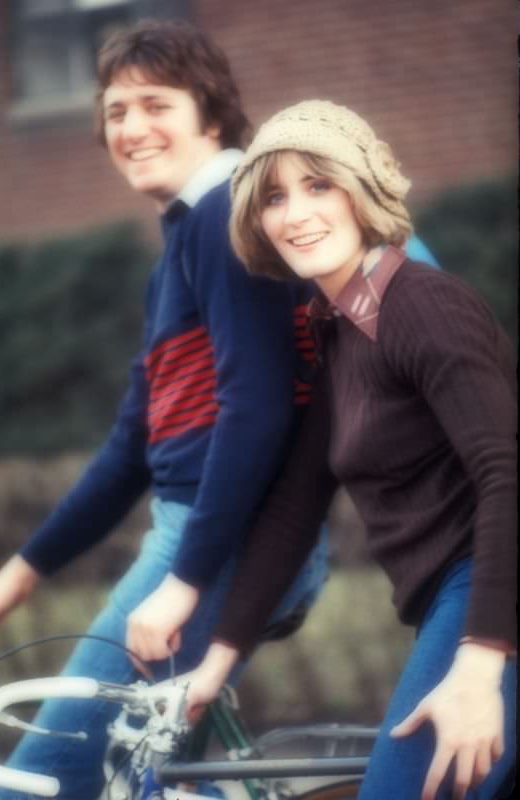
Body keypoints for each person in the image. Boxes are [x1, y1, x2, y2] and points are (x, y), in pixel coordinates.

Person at [0, 21, 438, 799]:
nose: (131, 128)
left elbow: (256, 410)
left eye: (155, 104)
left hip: (218, 544)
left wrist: (184, 579)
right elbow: (132, 443)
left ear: (210, 113)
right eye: (115, 111)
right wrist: (23, 572)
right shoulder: (183, 245)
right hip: (199, 537)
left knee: (41, 781)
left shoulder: (226, 215)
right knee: (151, 779)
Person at [161, 101, 517, 800]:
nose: (296, 214)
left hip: (487, 591)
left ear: (364, 192)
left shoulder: (419, 305)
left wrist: (480, 664)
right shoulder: (341, 331)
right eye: (273, 197)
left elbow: (508, 470)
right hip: (456, 600)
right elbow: (296, 506)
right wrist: (217, 662)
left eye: (319, 184)